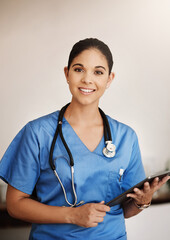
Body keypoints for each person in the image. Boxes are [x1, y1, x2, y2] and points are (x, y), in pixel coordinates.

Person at [0, 38, 169, 240]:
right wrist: (72, 215)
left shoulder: (126, 137)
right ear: (67, 74)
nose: (87, 79)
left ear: (109, 79)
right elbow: (15, 204)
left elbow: (125, 209)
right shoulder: (37, 133)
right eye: (79, 69)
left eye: (98, 72)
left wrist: (143, 201)